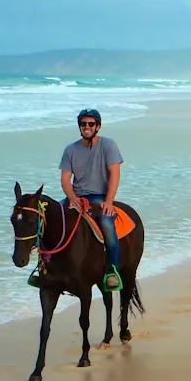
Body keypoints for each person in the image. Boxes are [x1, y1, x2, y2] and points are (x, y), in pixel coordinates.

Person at [59, 108, 124, 285]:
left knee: (107, 225)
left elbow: (115, 174)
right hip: (76, 196)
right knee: (50, 218)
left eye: (91, 124)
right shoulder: (70, 149)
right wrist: (72, 198)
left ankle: (112, 271)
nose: (86, 127)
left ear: (98, 126)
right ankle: (43, 268)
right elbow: (65, 178)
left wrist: (109, 202)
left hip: (99, 196)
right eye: (83, 124)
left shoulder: (108, 145)